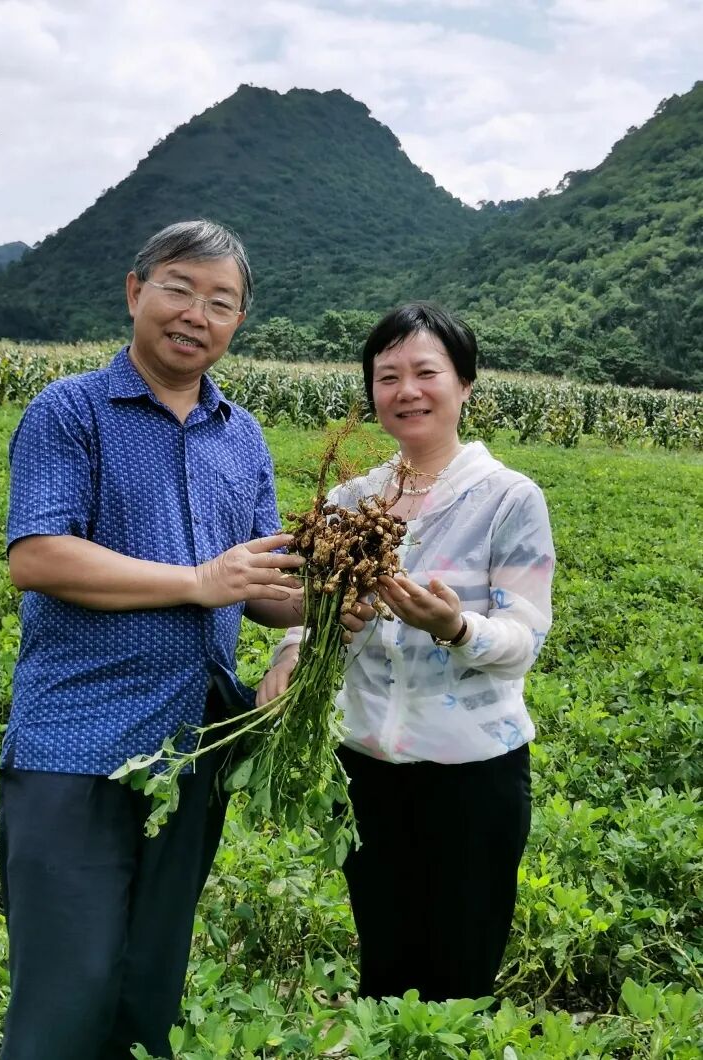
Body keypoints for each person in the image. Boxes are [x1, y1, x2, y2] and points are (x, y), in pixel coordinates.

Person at [0, 220, 313, 1059]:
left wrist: (318, 611)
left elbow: (260, 585)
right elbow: (38, 555)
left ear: (238, 321)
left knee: (148, 991)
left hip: (191, 749)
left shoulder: (240, 434)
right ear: (136, 291)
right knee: (65, 997)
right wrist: (196, 580)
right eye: (179, 288)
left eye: (220, 302)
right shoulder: (70, 410)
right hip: (76, 744)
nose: (195, 314)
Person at [259, 302, 555, 1004]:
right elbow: (315, 606)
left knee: (458, 977)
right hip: (365, 766)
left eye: (426, 372)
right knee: (384, 966)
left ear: (464, 385)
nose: (406, 390)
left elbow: (524, 638)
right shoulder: (351, 497)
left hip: (471, 771)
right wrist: (292, 651)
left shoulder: (508, 499)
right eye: (387, 376)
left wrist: (457, 628)